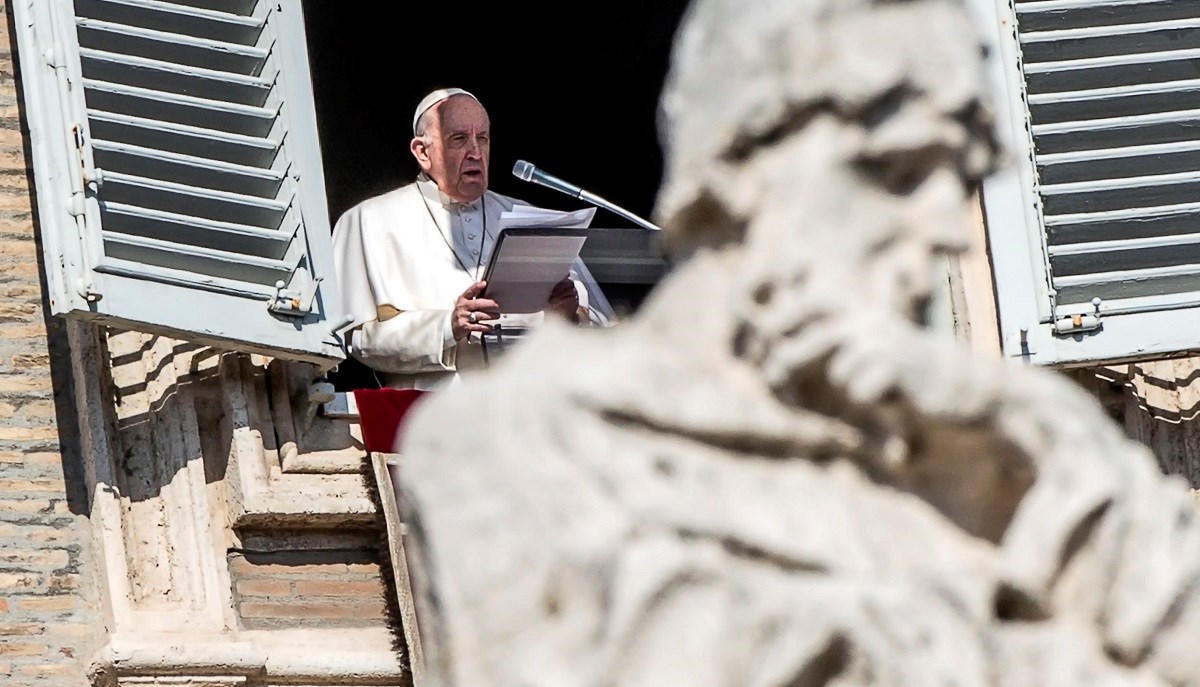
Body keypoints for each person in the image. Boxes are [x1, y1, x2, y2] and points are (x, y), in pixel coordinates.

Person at [332, 88, 613, 390]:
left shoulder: (528, 218)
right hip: (434, 416)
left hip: (532, 407)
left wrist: (566, 317)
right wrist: (448, 327)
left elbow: (603, 331)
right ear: (422, 152)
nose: (476, 153)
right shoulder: (370, 220)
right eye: (459, 139)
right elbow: (359, 339)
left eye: (483, 138)